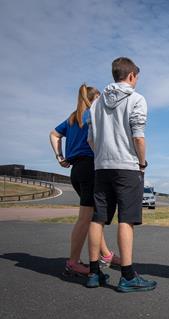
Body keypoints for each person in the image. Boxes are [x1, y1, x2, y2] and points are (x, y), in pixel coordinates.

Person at [86, 57, 156, 292]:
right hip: (127, 166)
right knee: (126, 218)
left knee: (98, 218)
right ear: (132, 76)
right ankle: (127, 276)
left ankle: (94, 272)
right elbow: (138, 135)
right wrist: (142, 162)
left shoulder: (95, 104)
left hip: (102, 166)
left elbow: (90, 139)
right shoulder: (136, 99)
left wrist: (102, 156)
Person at [49, 84, 120, 276]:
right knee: (86, 217)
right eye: (98, 97)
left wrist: (59, 156)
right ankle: (72, 262)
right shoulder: (93, 114)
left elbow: (54, 134)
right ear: (94, 98)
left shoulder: (72, 118)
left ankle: (105, 254)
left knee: (94, 216)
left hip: (76, 171)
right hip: (90, 168)